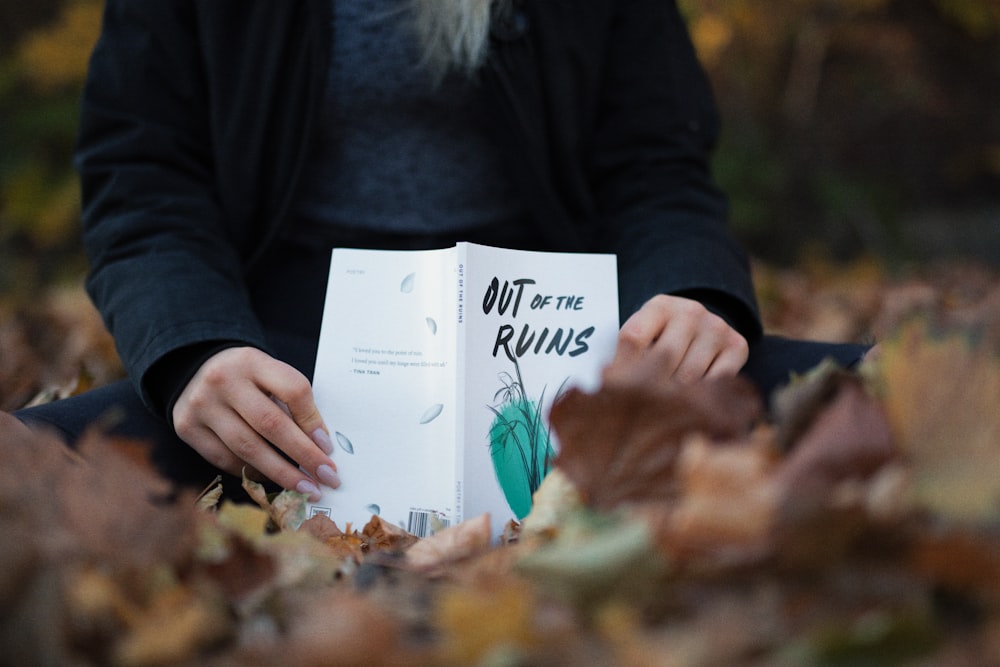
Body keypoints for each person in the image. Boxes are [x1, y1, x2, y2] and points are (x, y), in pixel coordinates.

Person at [15, 0, 867, 501]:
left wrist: (691, 295)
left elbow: (657, 165)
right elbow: (142, 173)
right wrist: (195, 350)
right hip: (287, 357)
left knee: (866, 393)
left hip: (567, 351)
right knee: (31, 461)